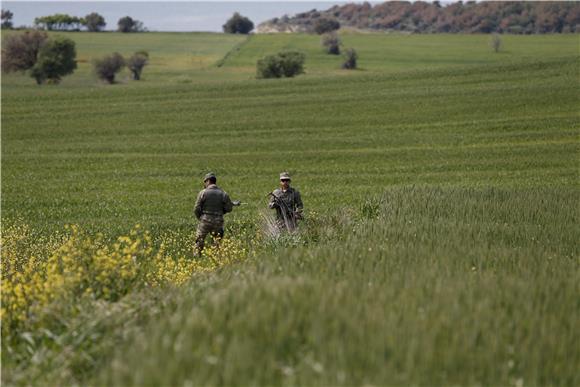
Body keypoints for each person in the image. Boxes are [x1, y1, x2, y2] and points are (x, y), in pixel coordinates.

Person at [194, 172, 238, 255]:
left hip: (204, 220)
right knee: (216, 242)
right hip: (218, 221)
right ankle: (215, 259)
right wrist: (222, 211)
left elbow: (196, 208)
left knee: (199, 240)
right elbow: (229, 209)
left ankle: (197, 256)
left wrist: (200, 218)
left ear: (208, 181)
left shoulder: (203, 193)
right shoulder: (223, 193)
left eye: (205, 182)